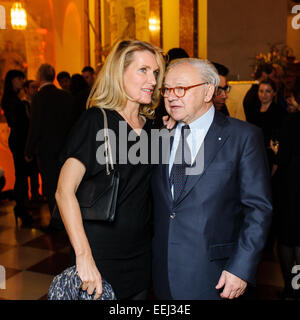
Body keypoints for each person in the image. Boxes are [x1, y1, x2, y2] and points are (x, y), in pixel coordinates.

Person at [151, 58, 273, 300]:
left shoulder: (242, 137)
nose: (171, 97)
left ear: (208, 91)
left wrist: (241, 268)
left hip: (216, 276)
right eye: (166, 89)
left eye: (181, 89)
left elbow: (258, 209)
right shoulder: (158, 137)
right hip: (162, 274)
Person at [55, 40, 165, 300]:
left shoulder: (153, 127)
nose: (153, 79)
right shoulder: (96, 121)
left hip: (141, 252)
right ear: (119, 73)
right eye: (144, 70)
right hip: (99, 252)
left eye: (156, 72)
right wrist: (83, 256)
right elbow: (63, 192)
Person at [25, 64, 76, 231]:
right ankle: (68, 220)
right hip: (66, 148)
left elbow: (35, 125)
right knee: (66, 185)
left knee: (50, 185)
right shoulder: (65, 95)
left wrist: (29, 149)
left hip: (47, 149)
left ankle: (57, 222)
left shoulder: (39, 97)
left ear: (40, 77)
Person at [276, 77, 300, 300]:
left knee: (287, 238)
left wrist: (276, 151)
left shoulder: (291, 121)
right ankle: (298, 286)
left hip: (291, 184)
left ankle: (290, 288)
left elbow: (282, 158)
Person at [1, 69, 33, 227]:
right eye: (20, 79)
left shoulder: (13, 99)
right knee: (21, 174)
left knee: (23, 174)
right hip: (19, 140)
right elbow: (17, 123)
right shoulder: (11, 99)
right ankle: (21, 207)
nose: (22, 81)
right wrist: (22, 103)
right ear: (13, 80)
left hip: (20, 139)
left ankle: (22, 206)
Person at [22, 80, 43, 203]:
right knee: (28, 170)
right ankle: (29, 196)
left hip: (37, 143)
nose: (36, 90)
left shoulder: (37, 102)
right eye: (33, 87)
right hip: (27, 141)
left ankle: (36, 193)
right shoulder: (24, 104)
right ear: (26, 89)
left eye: (37, 87)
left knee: (36, 169)